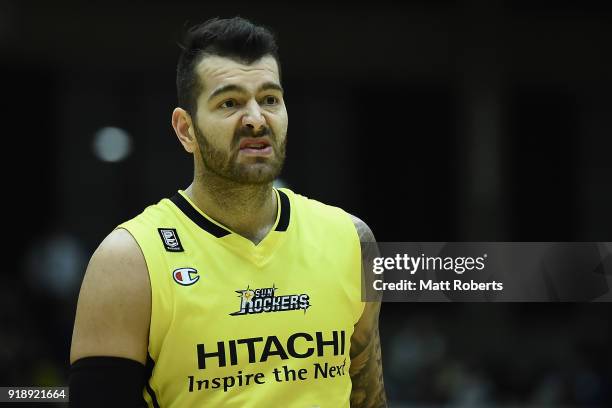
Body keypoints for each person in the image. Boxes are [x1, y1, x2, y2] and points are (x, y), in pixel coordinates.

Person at [69, 16, 386, 407]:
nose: (256, 119)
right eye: (230, 103)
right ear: (186, 129)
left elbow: (368, 397)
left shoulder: (351, 239)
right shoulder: (128, 261)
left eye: (270, 99)